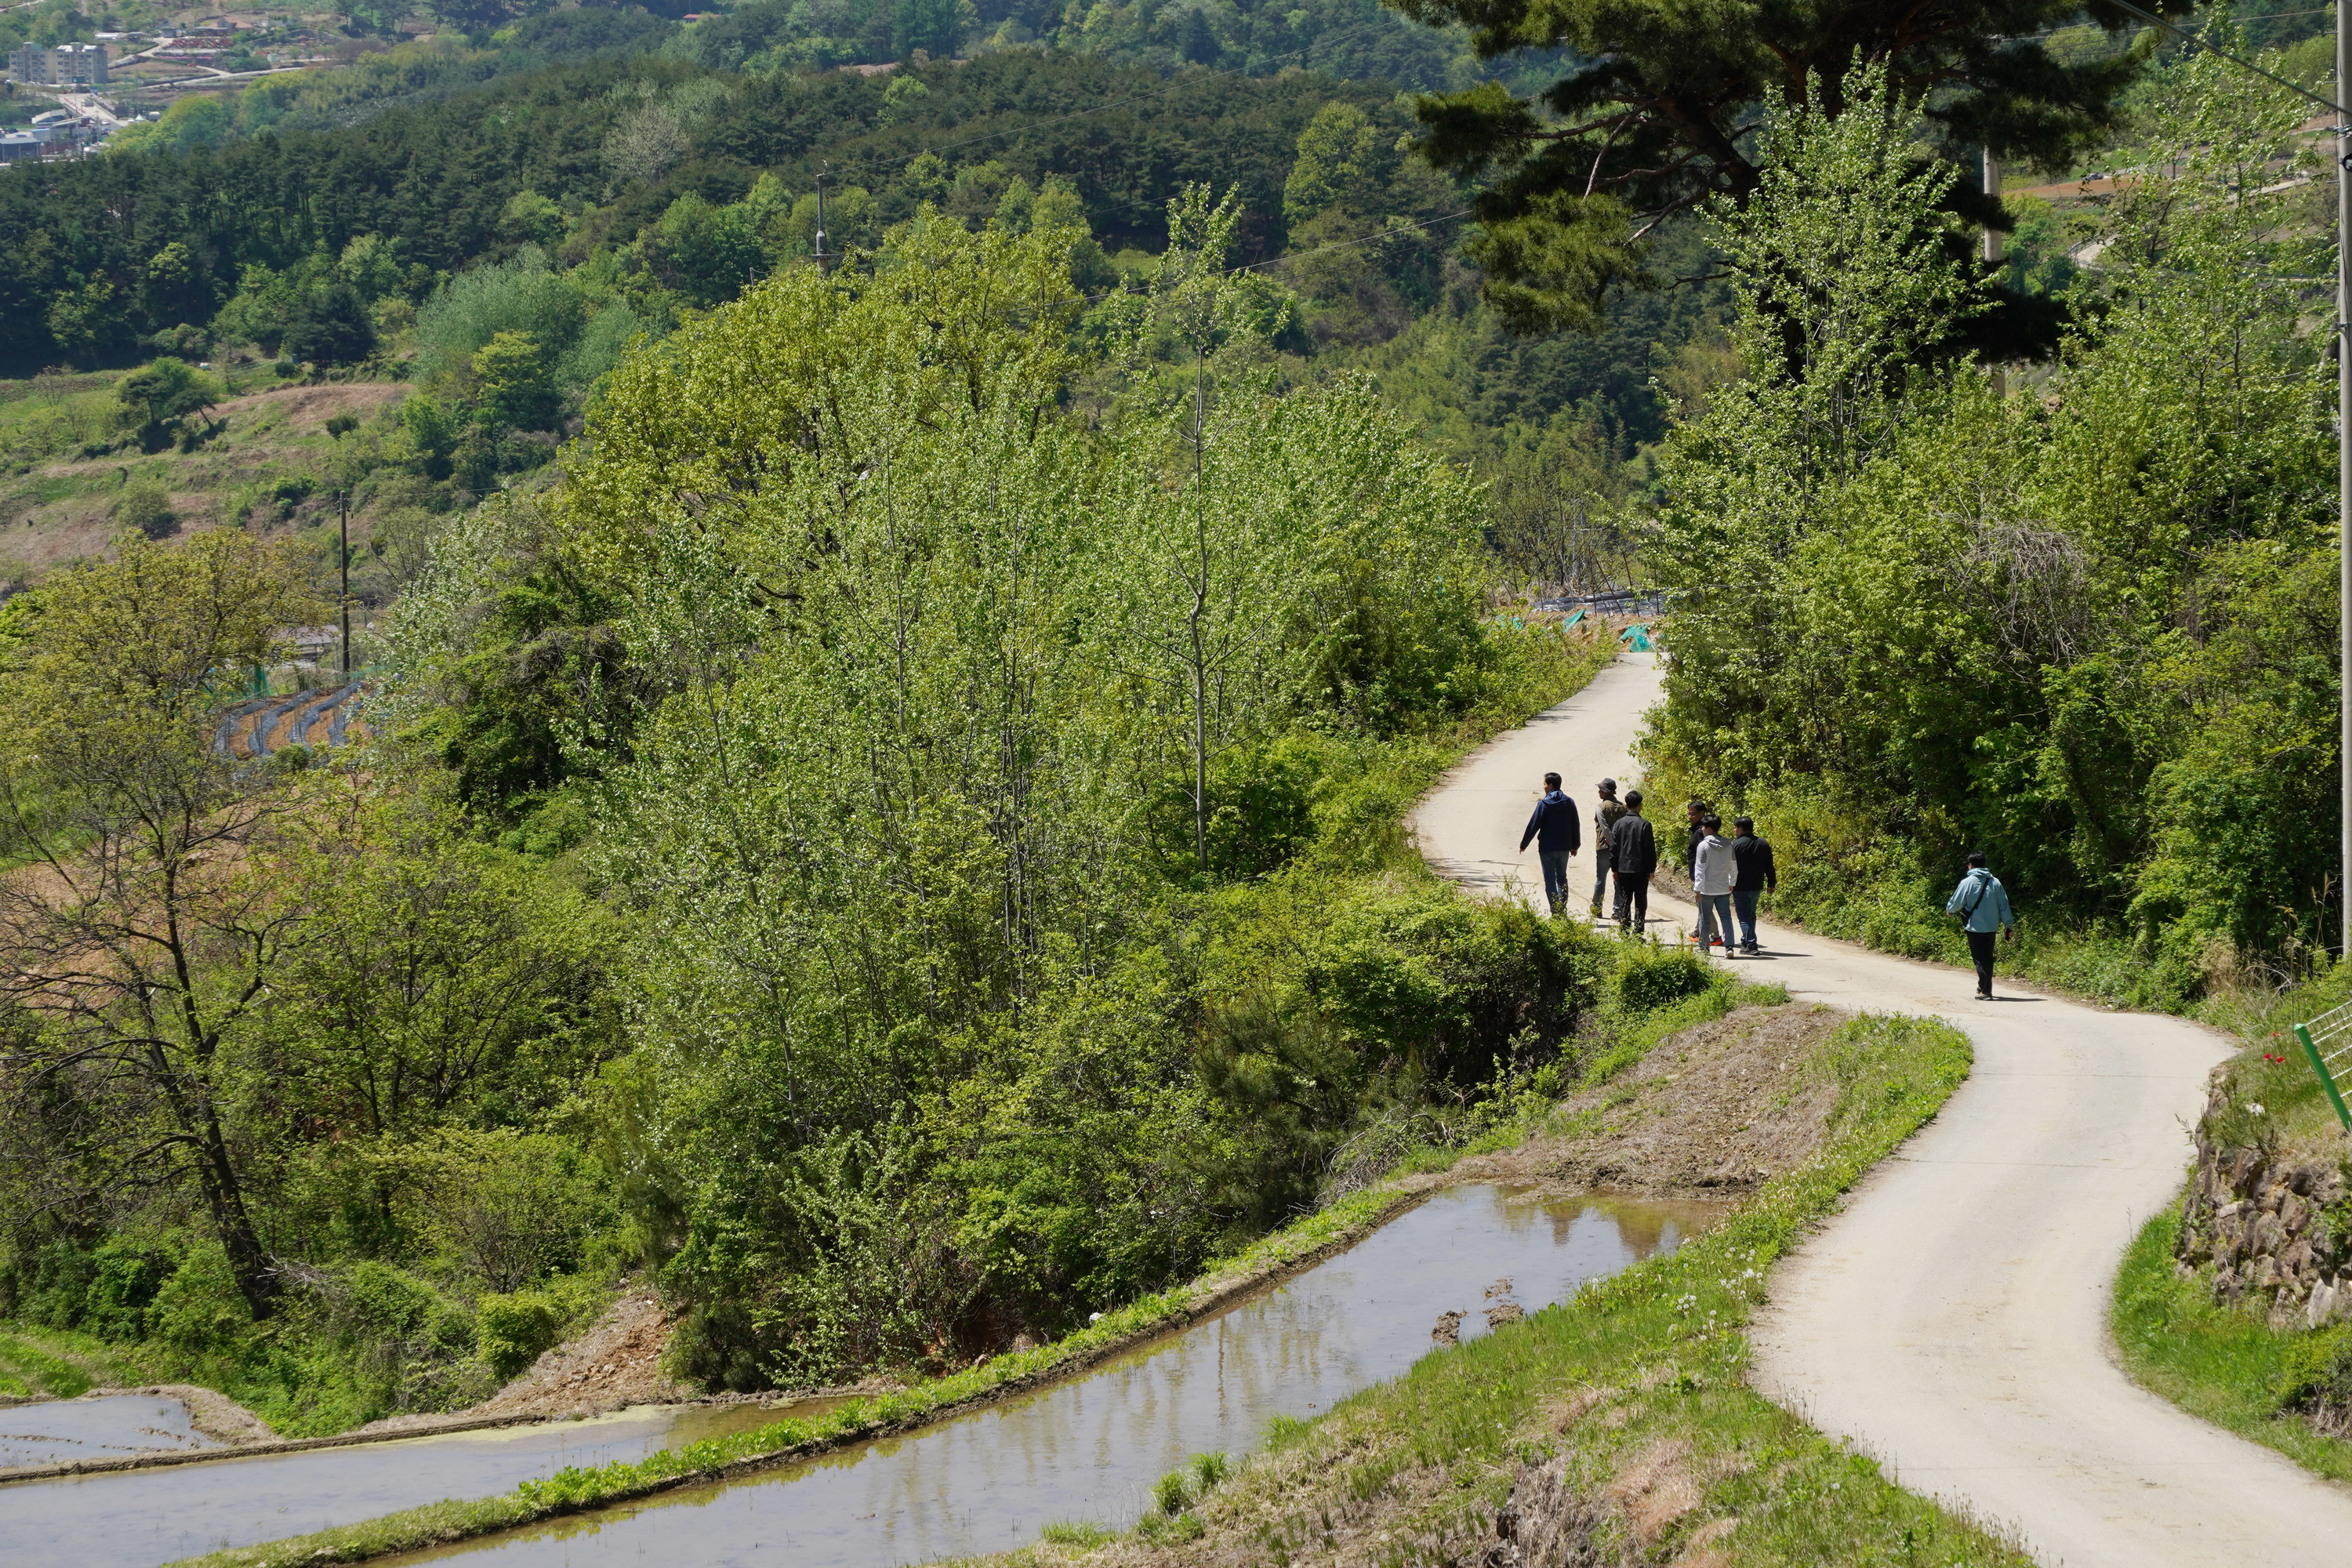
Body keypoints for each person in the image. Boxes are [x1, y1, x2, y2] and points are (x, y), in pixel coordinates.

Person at [1944, 851, 2015, 1000]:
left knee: (1979, 959)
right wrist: (2008, 925)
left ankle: (1986, 991)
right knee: (1987, 958)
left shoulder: (1967, 882)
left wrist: (1950, 911)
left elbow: (1957, 902)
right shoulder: (1995, 882)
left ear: (1970, 865)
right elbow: (2004, 905)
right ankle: (1982, 986)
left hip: (1974, 928)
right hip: (1991, 927)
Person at [1517, 771, 1581, 915]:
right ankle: (1562, 910)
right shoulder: (1570, 802)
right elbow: (1575, 824)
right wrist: (1575, 846)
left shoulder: (1544, 803)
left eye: (1545, 784)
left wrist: (1524, 844)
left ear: (1551, 785)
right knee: (1562, 878)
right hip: (1564, 848)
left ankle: (1556, 911)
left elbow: (1534, 824)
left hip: (1547, 848)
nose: (1543, 787)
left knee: (1550, 881)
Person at [1609, 789, 1657, 932]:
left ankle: (1624, 929)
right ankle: (1638, 931)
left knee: (1625, 899)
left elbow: (1614, 848)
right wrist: (1651, 869)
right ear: (1639, 805)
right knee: (1640, 901)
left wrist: (1614, 868)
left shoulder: (1618, 824)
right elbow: (1649, 849)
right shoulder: (1644, 824)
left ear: (1626, 805)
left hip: (1623, 868)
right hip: (1640, 869)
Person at [1730, 816, 1776, 954]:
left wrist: (1728, 883)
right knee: (1751, 914)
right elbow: (1769, 865)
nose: (1735, 830)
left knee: (1743, 916)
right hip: (1756, 885)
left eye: (1736, 828)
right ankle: (1745, 942)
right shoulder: (1762, 843)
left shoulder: (1735, 845)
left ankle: (1751, 945)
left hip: (1740, 885)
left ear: (1741, 829)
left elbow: (1729, 867)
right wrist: (1771, 883)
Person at [1692, 814, 1735, 955]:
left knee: (1705, 919)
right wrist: (1732, 883)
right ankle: (1729, 947)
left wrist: (1697, 889)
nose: (1702, 829)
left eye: (1704, 827)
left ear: (1709, 829)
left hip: (1707, 889)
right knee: (1726, 917)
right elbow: (1733, 866)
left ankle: (1704, 948)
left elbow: (1700, 869)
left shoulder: (1703, 846)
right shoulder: (1729, 845)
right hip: (1723, 888)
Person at [1590, 779, 1628, 919]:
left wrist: (1611, 842)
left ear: (1606, 791)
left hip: (1604, 847)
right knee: (1618, 879)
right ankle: (1617, 911)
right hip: (1621, 848)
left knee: (1601, 879)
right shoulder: (1624, 807)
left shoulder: (1600, 807)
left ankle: (1597, 908)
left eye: (1600, 789)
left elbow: (1605, 828)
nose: (1599, 791)